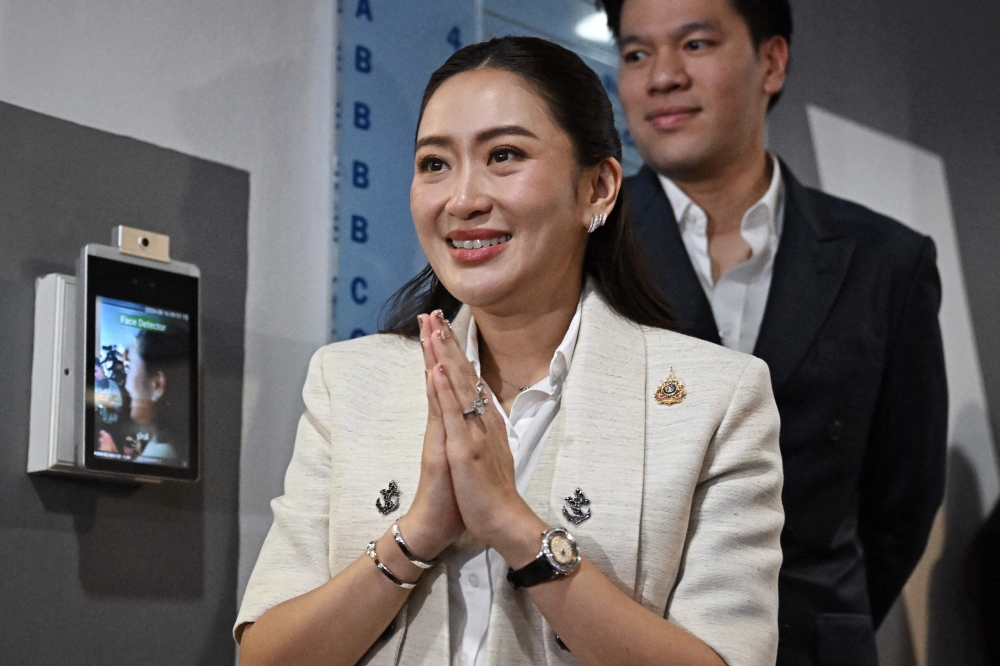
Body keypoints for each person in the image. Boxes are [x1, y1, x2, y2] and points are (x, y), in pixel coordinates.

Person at [236, 36, 784, 666]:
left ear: (599, 188)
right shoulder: (350, 379)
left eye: (503, 155)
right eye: (435, 164)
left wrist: (512, 525)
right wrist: (416, 534)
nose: (462, 199)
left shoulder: (717, 399)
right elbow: (265, 657)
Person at [600, 0, 949, 663]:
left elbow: (902, 498)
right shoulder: (576, 253)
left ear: (773, 61)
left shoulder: (885, 262)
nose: (661, 77)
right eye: (636, 53)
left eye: (695, 45)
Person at [125, 329, 189, 465]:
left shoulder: (162, 459)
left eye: (130, 367)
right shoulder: (180, 449)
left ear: (157, 384)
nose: (127, 386)